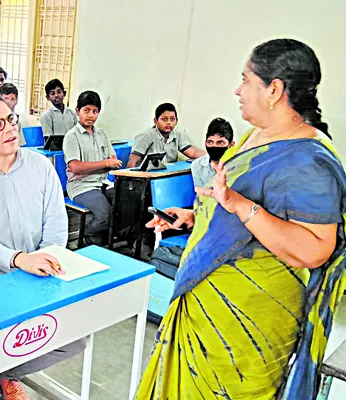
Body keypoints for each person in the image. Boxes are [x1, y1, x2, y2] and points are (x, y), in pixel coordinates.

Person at [136, 39, 346, 399]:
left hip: (248, 319)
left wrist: (238, 206)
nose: (238, 89)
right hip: (206, 305)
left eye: (246, 80)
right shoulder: (257, 136)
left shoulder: (310, 160)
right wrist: (191, 218)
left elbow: (314, 250)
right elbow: (238, 210)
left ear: (274, 90)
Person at [0, 91, 83, 400]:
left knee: (75, 338)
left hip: (38, 276)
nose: (10, 128)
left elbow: (57, 225)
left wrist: (45, 260)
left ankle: (3, 370)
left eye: (10, 119)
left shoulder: (41, 167)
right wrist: (19, 260)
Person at [63, 91, 121, 245]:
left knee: (126, 204)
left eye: (95, 111)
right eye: (86, 110)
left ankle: (108, 240)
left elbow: (114, 160)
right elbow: (75, 167)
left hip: (102, 182)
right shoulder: (71, 136)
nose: (91, 115)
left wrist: (102, 165)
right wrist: (104, 164)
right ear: (77, 111)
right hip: (81, 186)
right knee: (105, 214)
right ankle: (86, 234)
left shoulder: (101, 134)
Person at [128, 103, 205, 167]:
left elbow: (192, 152)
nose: (169, 122)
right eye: (164, 119)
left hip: (168, 174)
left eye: (172, 119)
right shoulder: (146, 136)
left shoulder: (178, 135)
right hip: (145, 177)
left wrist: (213, 156)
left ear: (176, 121)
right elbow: (132, 161)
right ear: (155, 121)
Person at [191, 117, 234, 187]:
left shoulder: (238, 165)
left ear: (231, 145)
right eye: (210, 142)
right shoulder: (197, 165)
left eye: (220, 143)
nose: (214, 146)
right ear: (205, 144)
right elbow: (201, 194)